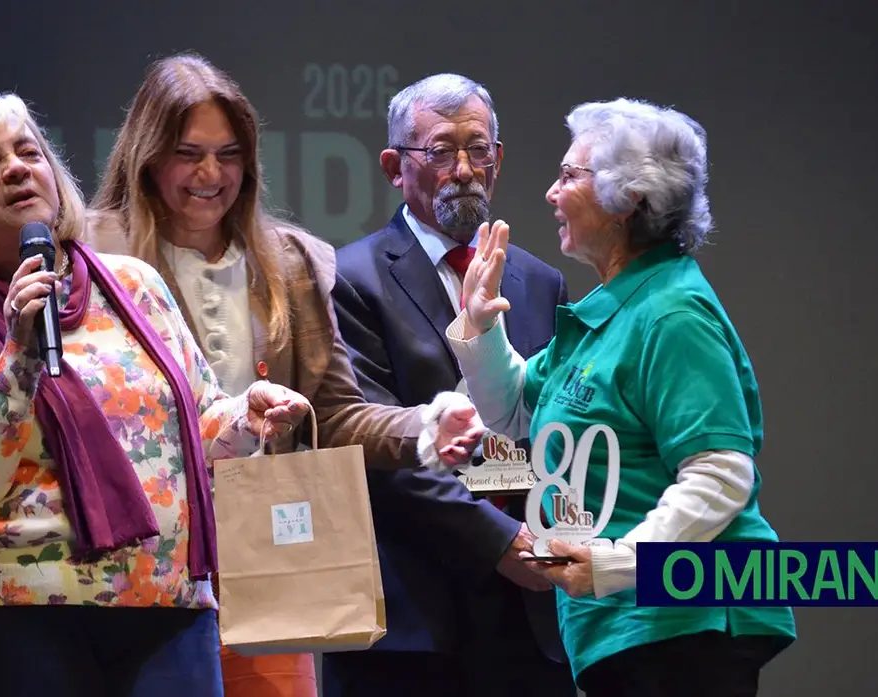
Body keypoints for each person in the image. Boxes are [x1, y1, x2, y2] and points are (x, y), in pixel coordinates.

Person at [0, 93, 313, 697]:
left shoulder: (133, 285)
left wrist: (246, 415)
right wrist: (18, 359)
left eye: (28, 151)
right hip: (11, 613)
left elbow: (195, 426)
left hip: (165, 607)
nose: (16, 168)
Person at [86, 54, 485, 697]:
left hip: (265, 559)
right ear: (147, 155)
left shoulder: (291, 260)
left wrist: (423, 428)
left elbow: (333, 412)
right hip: (133, 564)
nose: (211, 174)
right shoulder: (93, 253)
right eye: (189, 153)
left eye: (229, 153)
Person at [444, 98, 798, 696]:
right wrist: (480, 329)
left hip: (686, 624)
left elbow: (721, 473)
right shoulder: (610, 311)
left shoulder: (672, 313)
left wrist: (621, 564)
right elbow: (513, 412)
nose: (550, 195)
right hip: (628, 629)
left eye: (568, 176)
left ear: (628, 197)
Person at [325, 73, 577, 697]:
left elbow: (554, 432)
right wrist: (498, 540)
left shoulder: (541, 282)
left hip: (532, 616)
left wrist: (553, 540)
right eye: (441, 151)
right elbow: (370, 444)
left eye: (479, 148)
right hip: (411, 617)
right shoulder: (349, 277)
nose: (464, 168)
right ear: (394, 166)